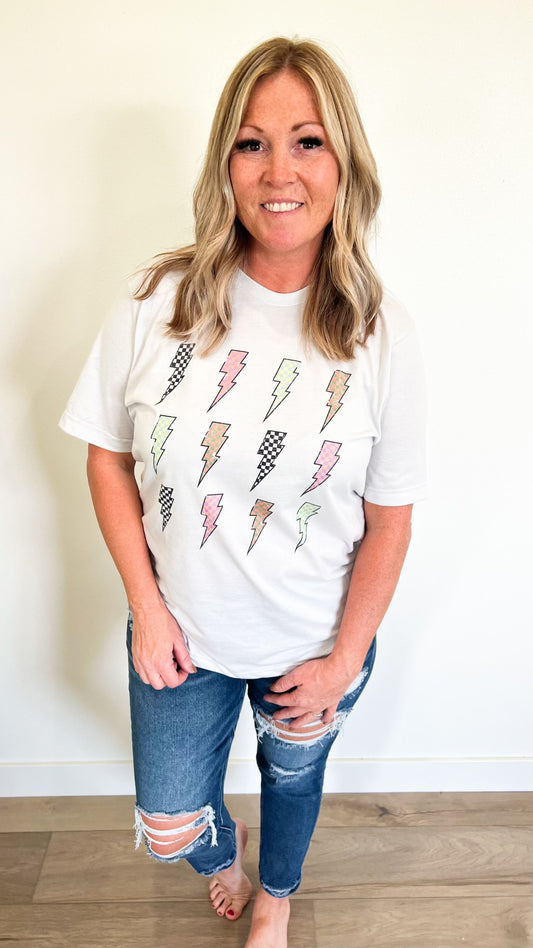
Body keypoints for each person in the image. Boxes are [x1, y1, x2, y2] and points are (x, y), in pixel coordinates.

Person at [60, 36, 426, 948]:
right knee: (167, 824)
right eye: (251, 143)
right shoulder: (158, 299)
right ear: (225, 163)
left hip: (314, 637)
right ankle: (223, 854)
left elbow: (390, 518)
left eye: (307, 141)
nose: (278, 172)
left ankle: (276, 896)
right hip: (183, 634)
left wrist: (344, 659)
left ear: (344, 163)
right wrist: (147, 609)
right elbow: (106, 456)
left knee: (292, 779)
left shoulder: (380, 333)